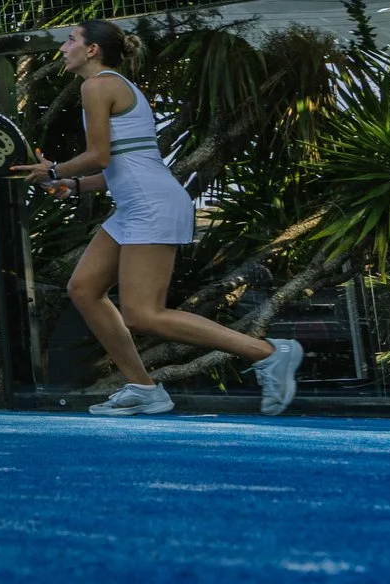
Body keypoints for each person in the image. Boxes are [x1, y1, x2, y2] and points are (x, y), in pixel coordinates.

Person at [26, 21, 301, 417]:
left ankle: (268, 353)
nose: (63, 46)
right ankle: (143, 387)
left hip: (151, 205)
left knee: (143, 314)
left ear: (91, 51)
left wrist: (55, 172)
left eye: (71, 40)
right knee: (84, 289)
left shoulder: (97, 86)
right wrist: (74, 185)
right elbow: (119, 167)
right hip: (138, 203)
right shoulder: (114, 86)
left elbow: (100, 155)